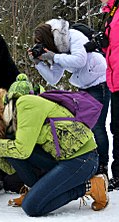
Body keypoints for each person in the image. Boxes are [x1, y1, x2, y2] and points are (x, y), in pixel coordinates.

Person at [0, 86, 109, 217]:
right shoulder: (12, 122)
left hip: (82, 159)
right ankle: (37, 191)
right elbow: (11, 168)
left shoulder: (25, 104)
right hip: (61, 158)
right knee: (12, 151)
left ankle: (91, 186)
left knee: (31, 206)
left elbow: (22, 150)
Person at [29, 18, 110, 177]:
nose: (42, 47)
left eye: (41, 43)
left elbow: (80, 60)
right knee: (83, 126)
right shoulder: (57, 50)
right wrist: (38, 63)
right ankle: (91, 165)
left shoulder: (73, 36)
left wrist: (54, 56)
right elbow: (54, 79)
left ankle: (103, 167)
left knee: (97, 127)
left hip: (99, 82)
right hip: (84, 86)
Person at [100, 0, 119, 191]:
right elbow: (113, 49)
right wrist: (102, 45)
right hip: (114, 81)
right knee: (116, 128)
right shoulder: (111, 13)